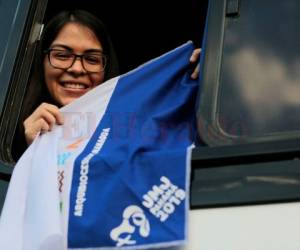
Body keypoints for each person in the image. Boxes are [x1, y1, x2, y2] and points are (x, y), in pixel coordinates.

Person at [12, 9, 201, 161]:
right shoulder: (10, 141)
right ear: (41, 62)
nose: (77, 69)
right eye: (62, 55)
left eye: (92, 59)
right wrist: (31, 152)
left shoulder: (135, 126)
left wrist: (212, 72)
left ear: (106, 68)